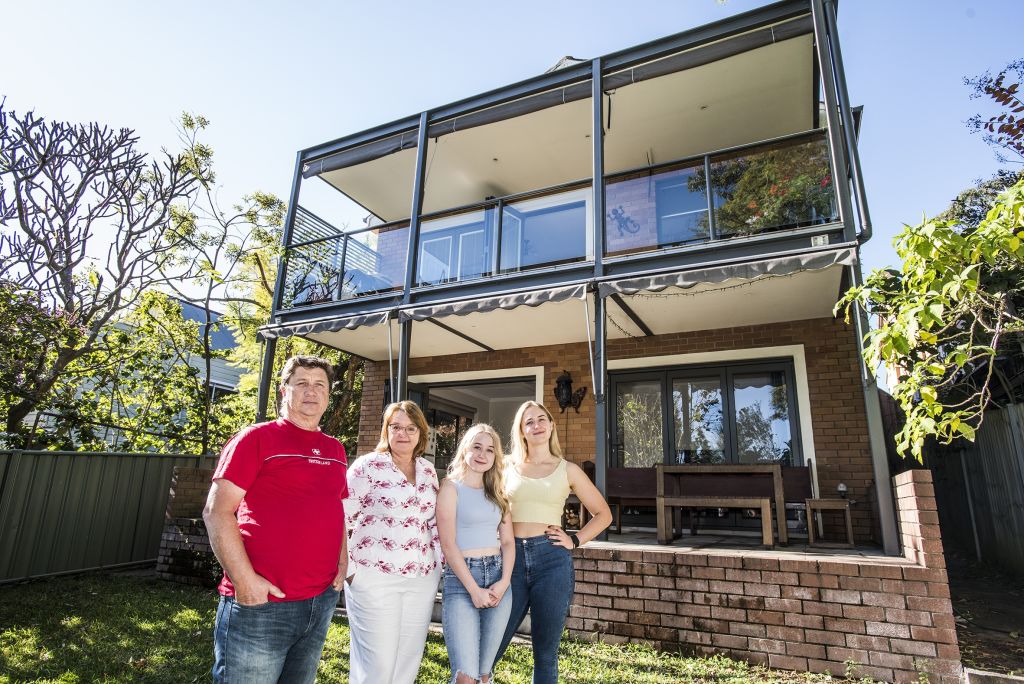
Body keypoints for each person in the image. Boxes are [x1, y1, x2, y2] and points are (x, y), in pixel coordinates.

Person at [204, 355, 348, 684]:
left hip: (319, 601)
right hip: (262, 605)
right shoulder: (256, 439)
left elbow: (335, 510)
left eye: (319, 385)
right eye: (302, 384)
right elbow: (217, 511)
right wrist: (244, 581)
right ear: (284, 391)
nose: (311, 392)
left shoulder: (335, 450)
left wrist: (342, 562)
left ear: (328, 395)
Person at [495, 400, 612, 684]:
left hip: (551, 560)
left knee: (545, 654)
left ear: (551, 425)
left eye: (541, 419)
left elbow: (603, 514)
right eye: (529, 422)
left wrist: (575, 539)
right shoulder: (505, 465)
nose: (536, 425)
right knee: (493, 643)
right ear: (521, 431)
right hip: (511, 560)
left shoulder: (567, 469)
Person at [344, 400, 442, 684]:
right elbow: (340, 517)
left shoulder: (427, 470)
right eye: (396, 427)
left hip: (421, 578)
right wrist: (350, 571)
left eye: (411, 428)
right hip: (373, 577)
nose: (403, 434)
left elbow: (433, 522)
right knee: (377, 666)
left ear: (420, 433)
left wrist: (439, 565)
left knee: (406, 663)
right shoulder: (367, 466)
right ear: (386, 430)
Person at [437, 424, 515, 684]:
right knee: (466, 677)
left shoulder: (498, 493)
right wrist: (473, 589)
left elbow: (507, 542)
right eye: (477, 447)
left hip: (497, 577)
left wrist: (504, 582)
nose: (483, 454)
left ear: (496, 457)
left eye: (490, 450)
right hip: (462, 580)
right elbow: (448, 544)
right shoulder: (450, 488)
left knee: (484, 675)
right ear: (465, 450)